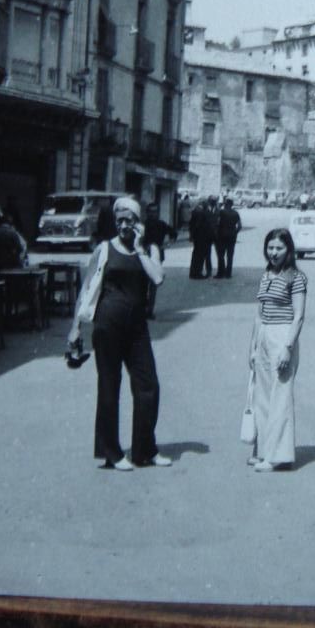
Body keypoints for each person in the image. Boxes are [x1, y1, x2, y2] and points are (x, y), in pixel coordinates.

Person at [67, 196, 171, 471]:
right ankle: (110, 452)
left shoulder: (149, 249)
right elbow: (88, 288)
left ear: (139, 222)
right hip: (107, 326)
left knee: (148, 385)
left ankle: (144, 450)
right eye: (120, 220)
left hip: (137, 328)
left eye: (130, 220)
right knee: (109, 387)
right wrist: (75, 328)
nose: (124, 225)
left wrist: (139, 249)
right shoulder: (104, 249)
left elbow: (157, 278)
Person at [246, 228, 307, 472]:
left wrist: (287, 348)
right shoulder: (267, 275)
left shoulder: (296, 278)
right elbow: (259, 313)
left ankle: (279, 455)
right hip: (264, 335)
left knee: (280, 395)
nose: (273, 252)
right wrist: (252, 346)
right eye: (270, 248)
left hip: (283, 336)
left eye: (279, 248)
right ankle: (263, 449)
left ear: (289, 250)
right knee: (262, 395)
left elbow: (299, 316)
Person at [143, 201, 177, 318]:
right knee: (142, 284)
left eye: (155, 212)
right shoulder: (142, 226)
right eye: (151, 212)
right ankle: (143, 308)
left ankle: (150, 311)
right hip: (143, 257)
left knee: (153, 284)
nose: (153, 214)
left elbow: (174, 233)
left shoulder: (161, 224)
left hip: (157, 258)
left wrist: (166, 244)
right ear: (147, 213)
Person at [215, 196, 241, 278]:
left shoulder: (221, 212)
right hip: (232, 236)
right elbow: (239, 226)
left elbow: (217, 223)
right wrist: (235, 232)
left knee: (221, 255)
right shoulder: (236, 213)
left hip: (222, 235)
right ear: (232, 204)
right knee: (230, 255)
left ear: (225, 204)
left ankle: (220, 273)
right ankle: (228, 273)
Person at [188, 198, 212, 279]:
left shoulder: (195, 210)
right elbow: (198, 225)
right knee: (200, 256)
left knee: (196, 255)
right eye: (207, 204)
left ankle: (193, 273)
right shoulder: (201, 212)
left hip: (197, 237)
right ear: (204, 204)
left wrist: (192, 235)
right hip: (201, 237)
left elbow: (191, 224)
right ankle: (197, 273)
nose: (208, 206)